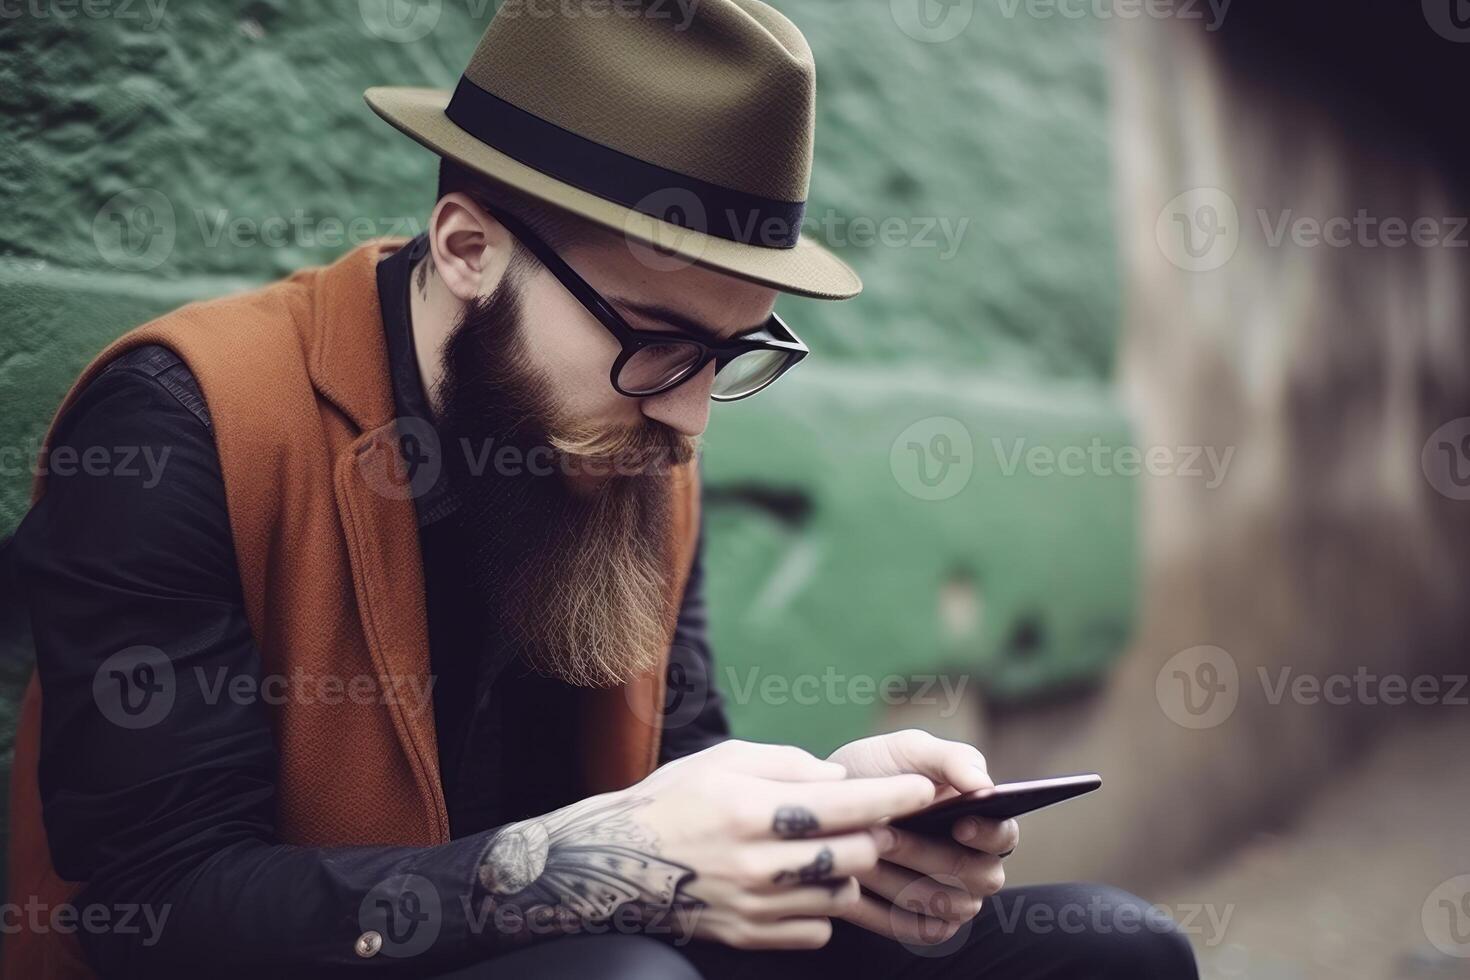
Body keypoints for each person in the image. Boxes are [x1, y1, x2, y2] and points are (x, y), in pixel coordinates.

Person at [3, 2, 1198, 977]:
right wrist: (594, 853)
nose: (686, 413)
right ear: (468, 249)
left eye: (730, 352)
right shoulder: (180, 418)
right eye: (659, 338)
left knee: (1107, 948)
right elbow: (159, 904)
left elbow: (676, 758)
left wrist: (829, 824)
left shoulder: (637, 431)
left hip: (602, 952)